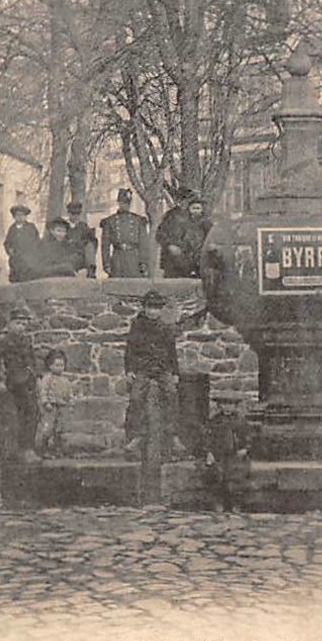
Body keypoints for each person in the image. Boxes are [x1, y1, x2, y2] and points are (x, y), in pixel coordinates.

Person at [123, 289, 185, 458]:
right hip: (143, 369)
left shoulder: (165, 328)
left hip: (162, 368)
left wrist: (175, 372)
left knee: (171, 393)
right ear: (144, 308)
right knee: (136, 397)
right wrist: (129, 370)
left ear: (161, 310)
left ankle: (173, 436)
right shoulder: (137, 326)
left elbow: (172, 351)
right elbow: (130, 351)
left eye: (157, 308)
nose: (153, 311)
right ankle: (136, 436)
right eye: (150, 307)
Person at [0, 302, 39, 462]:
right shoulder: (3, 341)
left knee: (31, 413)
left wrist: (35, 375)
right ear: (10, 324)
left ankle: (28, 449)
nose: (21, 327)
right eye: (18, 323)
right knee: (13, 417)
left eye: (24, 324)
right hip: (12, 384)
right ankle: (14, 451)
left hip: (26, 382)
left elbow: (32, 359)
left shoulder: (26, 341)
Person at [203, 393, 251, 512]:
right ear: (220, 406)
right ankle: (218, 502)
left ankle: (236, 503)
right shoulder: (215, 420)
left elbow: (247, 437)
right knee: (216, 475)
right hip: (218, 454)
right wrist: (209, 452)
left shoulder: (240, 420)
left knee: (236, 476)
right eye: (224, 404)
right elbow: (208, 438)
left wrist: (245, 448)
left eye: (230, 404)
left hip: (235, 453)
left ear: (235, 406)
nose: (227, 407)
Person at [156, 189, 213, 279]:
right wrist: (169, 245)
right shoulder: (171, 216)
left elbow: (208, 239)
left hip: (194, 262)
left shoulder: (203, 221)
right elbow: (160, 234)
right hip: (173, 262)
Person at [100, 189, 149, 278]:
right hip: (118, 258)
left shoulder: (138, 221)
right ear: (118, 203)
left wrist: (143, 262)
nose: (125, 206)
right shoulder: (110, 221)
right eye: (122, 203)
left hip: (134, 259)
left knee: (135, 286)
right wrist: (106, 263)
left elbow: (143, 243)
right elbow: (105, 244)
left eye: (127, 203)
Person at [35, 348, 74, 458]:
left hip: (61, 406)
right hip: (50, 407)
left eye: (62, 365)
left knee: (59, 428)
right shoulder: (47, 379)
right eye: (57, 365)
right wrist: (46, 402)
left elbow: (69, 393)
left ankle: (57, 449)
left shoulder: (65, 380)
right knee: (48, 428)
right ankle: (44, 449)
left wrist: (70, 403)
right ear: (50, 366)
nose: (60, 368)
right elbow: (43, 391)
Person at [3, 204, 40, 283]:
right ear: (14, 216)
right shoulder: (12, 229)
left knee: (28, 280)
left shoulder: (31, 227)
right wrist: (9, 250)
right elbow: (7, 243)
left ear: (26, 216)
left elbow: (37, 242)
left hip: (29, 261)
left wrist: (34, 255)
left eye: (22, 215)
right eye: (18, 215)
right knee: (16, 279)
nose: (20, 217)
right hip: (16, 261)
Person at [65, 201, 98, 278]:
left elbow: (92, 242)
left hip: (80, 255)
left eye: (78, 214)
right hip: (67, 254)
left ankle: (91, 269)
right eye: (73, 214)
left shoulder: (84, 227)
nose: (75, 216)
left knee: (89, 245)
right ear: (68, 214)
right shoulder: (64, 226)